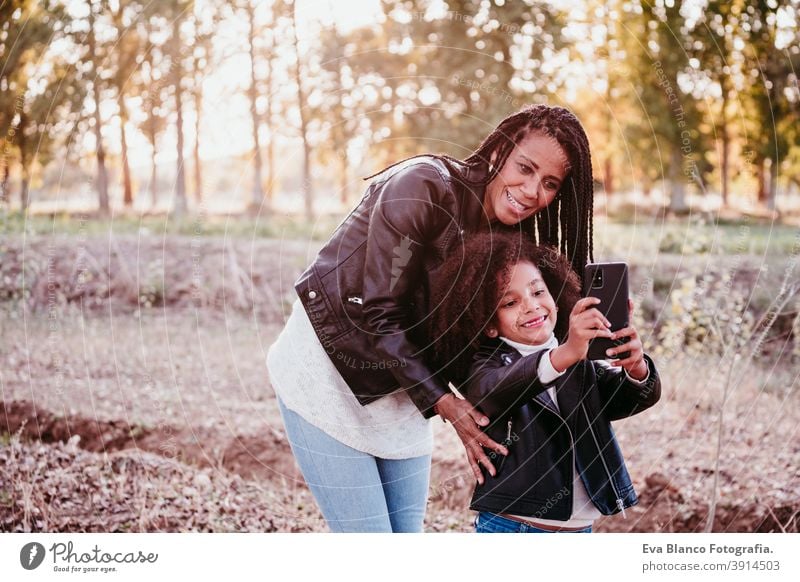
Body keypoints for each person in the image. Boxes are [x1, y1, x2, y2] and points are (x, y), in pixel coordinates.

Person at [266, 104, 596, 532]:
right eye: (525, 168)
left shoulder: (506, 241)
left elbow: (498, 342)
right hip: (327, 376)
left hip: (404, 394)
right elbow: (378, 312)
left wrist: (591, 331)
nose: (532, 191)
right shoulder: (422, 187)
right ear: (500, 150)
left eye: (549, 183)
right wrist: (446, 403)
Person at [427, 231, 661, 533]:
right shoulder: (488, 365)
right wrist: (566, 353)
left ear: (555, 296)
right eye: (509, 303)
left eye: (538, 292)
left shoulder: (579, 359)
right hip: (514, 527)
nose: (531, 306)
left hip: (580, 530)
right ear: (488, 325)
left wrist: (636, 367)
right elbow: (495, 392)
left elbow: (623, 401)